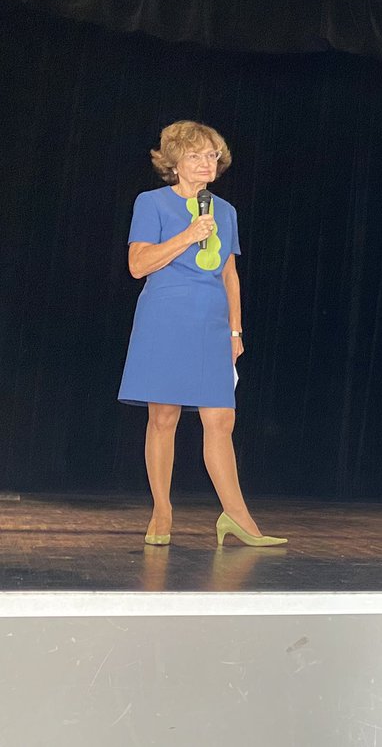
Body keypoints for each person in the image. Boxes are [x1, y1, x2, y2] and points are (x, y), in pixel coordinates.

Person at [118, 121, 285, 548]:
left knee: (221, 419)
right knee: (164, 416)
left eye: (212, 155)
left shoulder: (225, 211)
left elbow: (230, 274)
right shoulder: (151, 203)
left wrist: (235, 329)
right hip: (166, 316)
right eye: (196, 155)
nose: (207, 162)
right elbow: (138, 265)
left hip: (212, 322)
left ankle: (238, 517)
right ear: (174, 162)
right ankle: (161, 510)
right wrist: (188, 235)